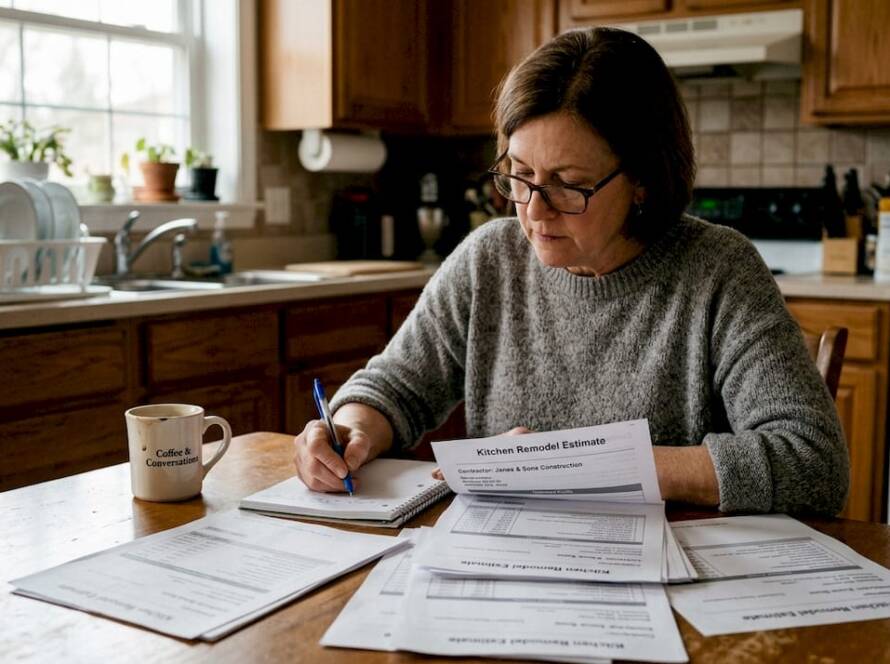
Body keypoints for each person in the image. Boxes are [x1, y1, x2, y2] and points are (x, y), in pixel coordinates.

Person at [292, 27, 849, 515]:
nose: (533, 211)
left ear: (641, 182)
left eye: (568, 183)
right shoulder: (490, 258)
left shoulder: (717, 270)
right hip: (507, 564)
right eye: (519, 174)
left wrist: (581, 466)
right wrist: (351, 427)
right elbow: (395, 386)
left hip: (670, 582)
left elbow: (814, 463)